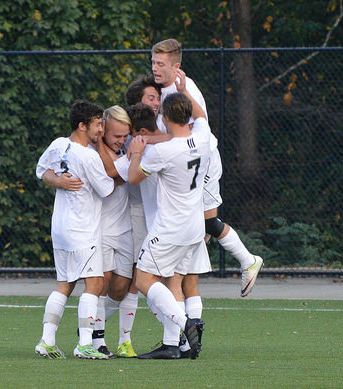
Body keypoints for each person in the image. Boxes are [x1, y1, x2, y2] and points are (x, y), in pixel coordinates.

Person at [151, 38, 263, 297]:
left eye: (161, 64)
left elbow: (192, 129)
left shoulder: (184, 89)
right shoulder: (162, 91)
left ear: (176, 66)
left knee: (208, 222)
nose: (155, 68)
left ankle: (248, 260)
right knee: (195, 228)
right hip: (186, 162)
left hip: (203, 161)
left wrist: (148, 141)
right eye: (153, 62)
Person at [126, 90, 210, 360]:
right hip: (195, 228)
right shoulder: (204, 137)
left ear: (164, 116)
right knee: (175, 282)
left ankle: (186, 324)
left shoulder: (164, 151)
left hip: (170, 228)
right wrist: (183, 88)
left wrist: (137, 152)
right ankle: (173, 345)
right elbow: (202, 116)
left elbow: (133, 178)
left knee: (144, 279)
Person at [34, 100, 114, 360]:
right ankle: (85, 344)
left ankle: (47, 341)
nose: (101, 128)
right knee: (95, 283)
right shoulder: (88, 156)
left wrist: (56, 180)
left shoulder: (58, 144)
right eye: (98, 124)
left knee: (65, 284)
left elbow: (41, 170)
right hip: (82, 229)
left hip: (60, 227)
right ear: (82, 126)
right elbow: (107, 189)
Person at [91, 105, 137, 359]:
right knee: (102, 282)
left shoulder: (128, 151)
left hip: (124, 228)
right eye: (116, 136)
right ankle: (97, 339)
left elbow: (114, 173)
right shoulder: (91, 151)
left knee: (121, 288)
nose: (121, 140)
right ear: (103, 131)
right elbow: (109, 175)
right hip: (100, 228)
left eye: (124, 135)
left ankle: (87, 324)